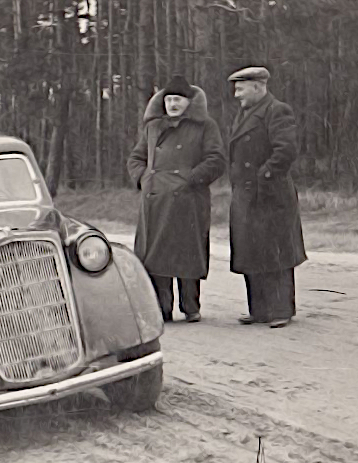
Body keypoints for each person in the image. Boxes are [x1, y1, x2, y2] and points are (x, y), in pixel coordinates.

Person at [127, 75, 226, 323]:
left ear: (188, 102)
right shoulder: (153, 127)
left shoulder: (205, 126)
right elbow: (136, 158)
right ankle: (162, 309)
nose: (173, 104)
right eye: (169, 99)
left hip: (188, 200)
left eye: (178, 100)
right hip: (155, 200)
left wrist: (190, 179)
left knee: (187, 253)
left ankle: (191, 306)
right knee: (156, 257)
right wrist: (144, 178)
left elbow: (216, 160)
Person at [226, 66, 307, 328]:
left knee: (276, 254)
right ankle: (259, 309)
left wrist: (265, 175)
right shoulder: (244, 114)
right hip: (247, 196)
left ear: (258, 87)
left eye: (241, 89)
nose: (236, 94)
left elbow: (286, 150)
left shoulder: (276, 110)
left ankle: (281, 309)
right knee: (251, 251)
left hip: (271, 196)